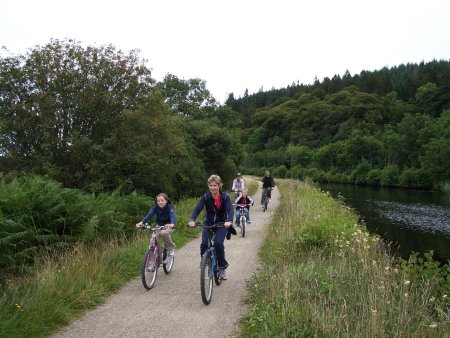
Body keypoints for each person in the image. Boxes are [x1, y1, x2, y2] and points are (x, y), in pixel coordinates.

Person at [188, 174, 235, 280]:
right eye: (211, 185)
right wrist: (192, 220)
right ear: (208, 186)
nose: (213, 187)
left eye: (215, 185)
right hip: (208, 223)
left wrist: (229, 221)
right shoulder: (206, 197)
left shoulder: (225, 197)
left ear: (219, 186)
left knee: (218, 244)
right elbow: (197, 209)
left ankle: (222, 267)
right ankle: (206, 262)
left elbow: (230, 210)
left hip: (221, 224)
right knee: (204, 244)